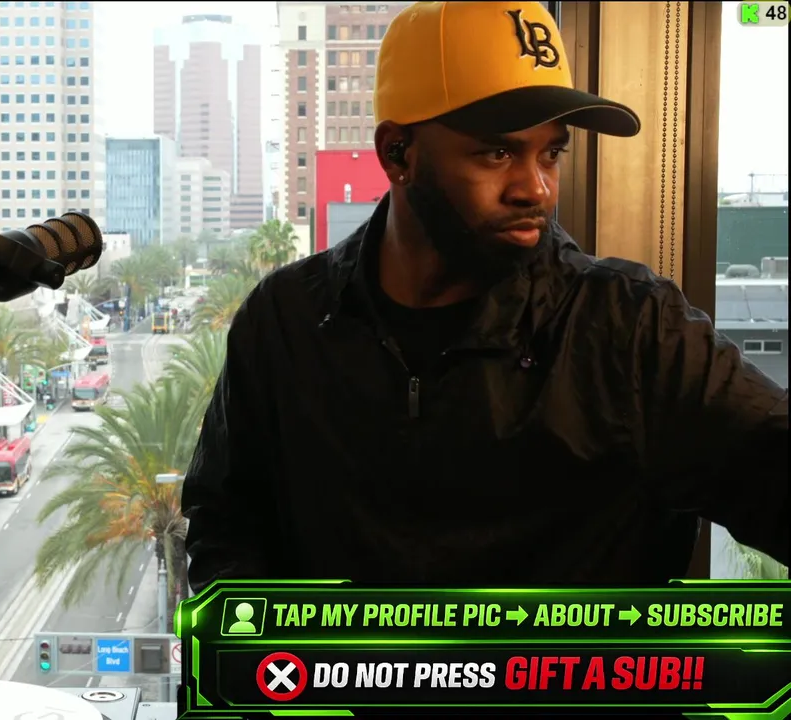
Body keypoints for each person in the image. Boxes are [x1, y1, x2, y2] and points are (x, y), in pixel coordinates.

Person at [182, 1, 788, 590]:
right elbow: (224, 531)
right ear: (398, 153)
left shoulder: (632, 331)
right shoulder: (285, 322)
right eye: (498, 152)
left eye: (551, 152)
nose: (536, 188)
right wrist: (270, 651)